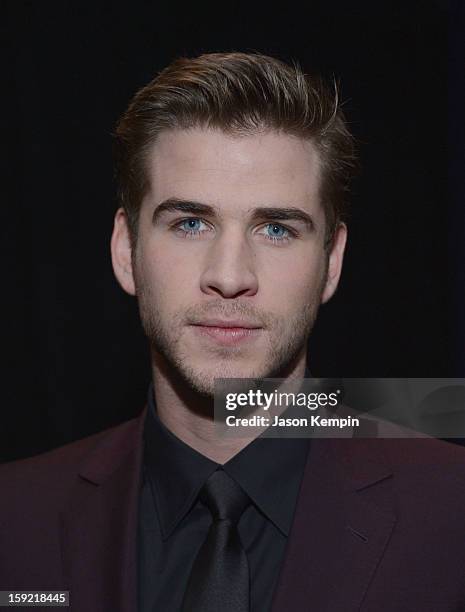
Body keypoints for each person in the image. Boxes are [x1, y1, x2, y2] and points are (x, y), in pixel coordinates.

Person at [1, 51, 465, 612]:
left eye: (275, 229)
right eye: (190, 223)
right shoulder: (15, 520)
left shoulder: (451, 512)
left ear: (332, 262)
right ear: (127, 251)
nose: (229, 277)